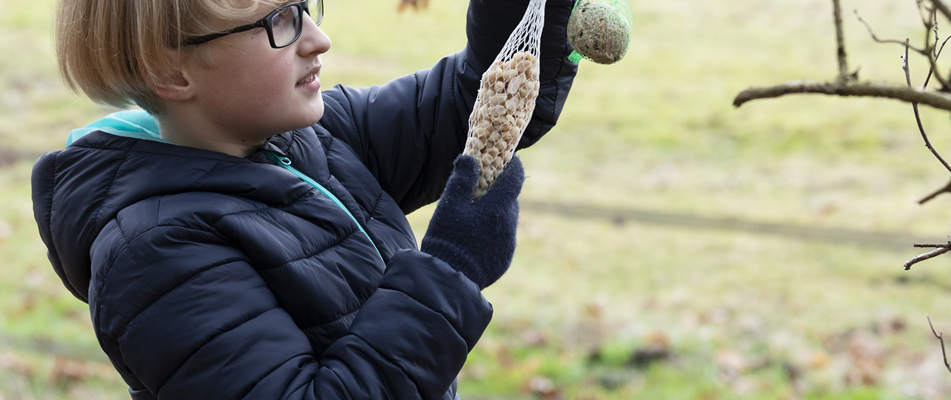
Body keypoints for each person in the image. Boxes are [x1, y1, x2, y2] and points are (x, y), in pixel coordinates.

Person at [31, 0, 577, 398]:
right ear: (168, 70)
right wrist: (449, 270)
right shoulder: (154, 253)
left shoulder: (313, 137)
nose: (318, 39)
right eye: (280, 21)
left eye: (305, 7)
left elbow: (476, 96)